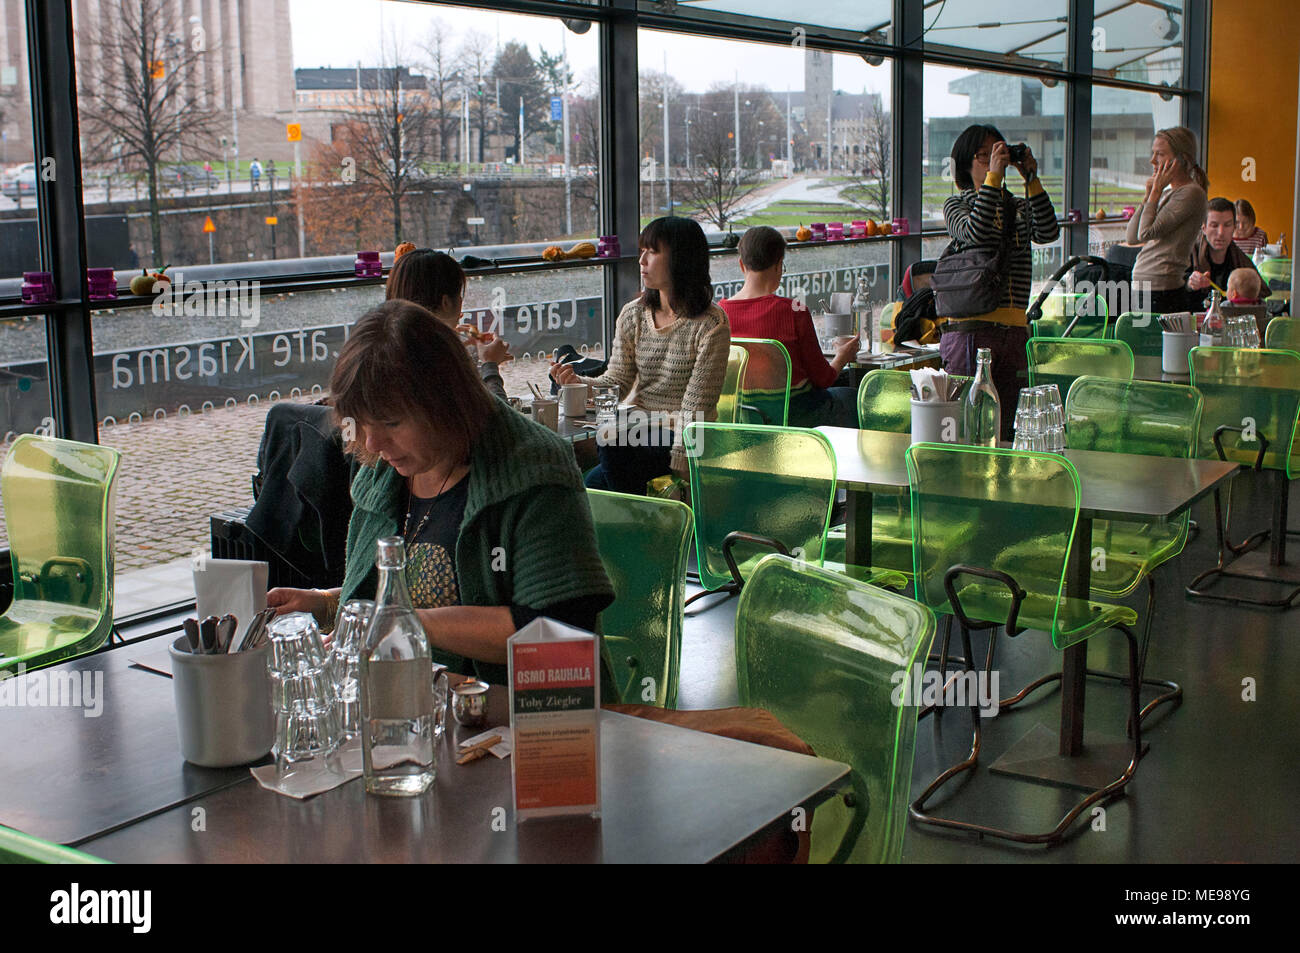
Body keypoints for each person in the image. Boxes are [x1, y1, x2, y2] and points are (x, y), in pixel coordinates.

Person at [266, 300, 615, 686]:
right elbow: (406, 595)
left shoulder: (533, 470)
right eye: (362, 422)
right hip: (422, 706)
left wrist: (404, 623)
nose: (373, 441)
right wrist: (329, 603)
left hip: (527, 721)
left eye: (392, 422)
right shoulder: (384, 473)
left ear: (447, 399)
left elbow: (557, 631)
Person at [551, 216, 730, 494]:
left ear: (681, 259)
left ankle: (639, 517)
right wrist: (577, 383)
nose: (641, 260)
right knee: (590, 486)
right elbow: (617, 383)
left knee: (609, 441)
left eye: (653, 251)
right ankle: (642, 519)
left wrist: (682, 460)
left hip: (686, 435)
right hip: (640, 429)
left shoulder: (711, 324)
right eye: (642, 250)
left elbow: (697, 405)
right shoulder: (633, 314)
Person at [939, 124, 1059, 438]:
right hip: (971, 331)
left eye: (999, 153)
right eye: (984, 156)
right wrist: (992, 178)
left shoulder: (1017, 206)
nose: (994, 161)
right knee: (969, 426)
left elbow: (1048, 232)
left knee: (1008, 428)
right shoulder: (957, 205)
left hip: (1015, 331)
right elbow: (977, 232)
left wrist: (1030, 177)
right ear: (965, 164)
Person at [719, 226, 859, 427]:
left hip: (744, 419)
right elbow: (823, 379)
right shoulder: (794, 311)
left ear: (741, 265)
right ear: (778, 265)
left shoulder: (720, 315)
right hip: (797, 418)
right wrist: (842, 356)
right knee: (855, 399)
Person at [385, 247, 513, 400]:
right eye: (460, 294)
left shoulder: (389, 351)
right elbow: (498, 419)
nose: (461, 302)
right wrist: (490, 365)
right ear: (445, 302)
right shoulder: (432, 366)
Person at [1125, 127, 1208, 315]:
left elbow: (1145, 233)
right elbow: (1132, 237)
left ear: (1181, 160)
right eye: (1153, 153)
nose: (1152, 160)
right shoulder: (1168, 193)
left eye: (1160, 154)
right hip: (1145, 283)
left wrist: (1155, 192)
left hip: (1162, 286)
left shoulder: (1191, 193)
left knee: (1153, 343)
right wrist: (1148, 196)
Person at [1186, 197, 1269, 308]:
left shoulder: (1241, 261)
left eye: (1227, 225)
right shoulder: (1188, 254)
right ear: (1204, 228)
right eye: (1214, 225)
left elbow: (1261, 294)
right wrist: (1189, 284)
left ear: (1234, 227)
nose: (1220, 233)